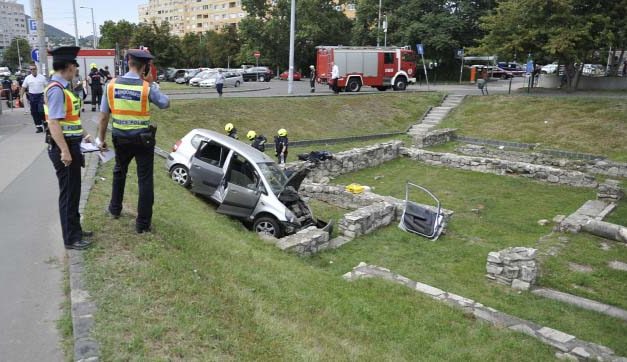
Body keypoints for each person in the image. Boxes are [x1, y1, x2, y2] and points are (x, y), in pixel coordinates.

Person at [97, 49, 170, 234]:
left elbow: (104, 116)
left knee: (119, 171)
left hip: (120, 138)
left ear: (128, 62)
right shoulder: (146, 88)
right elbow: (165, 103)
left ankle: (114, 208)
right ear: (145, 66)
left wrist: (101, 139)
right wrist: (154, 85)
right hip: (143, 140)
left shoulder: (111, 85)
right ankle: (142, 224)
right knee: (145, 180)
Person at [44, 46, 94, 250]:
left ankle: (76, 229)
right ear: (67, 66)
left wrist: (85, 135)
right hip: (64, 148)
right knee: (68, 193)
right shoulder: (56, 90)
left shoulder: (63, 88)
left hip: (72, 144)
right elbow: (54, 123)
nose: (76, 68)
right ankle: (71, 238)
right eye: (74, 64)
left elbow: (70, 119)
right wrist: (64, 150)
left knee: (74, 191)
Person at [21, 65, 47, 132]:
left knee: (41, 111)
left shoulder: (42, 77)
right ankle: (39, 127)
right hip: (32, 96)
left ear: (36, 69)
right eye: (31, 69)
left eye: (34, 69)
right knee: (34, 112)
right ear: (30, 70)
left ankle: (45, 123)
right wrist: (21, 97)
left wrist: (47, 96)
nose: (33, 70)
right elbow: (23, 87)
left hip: (41, 95)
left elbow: (47, 86)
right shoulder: (28, 78)